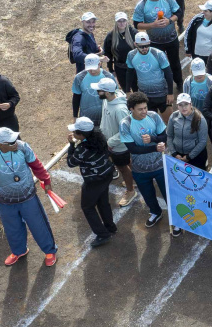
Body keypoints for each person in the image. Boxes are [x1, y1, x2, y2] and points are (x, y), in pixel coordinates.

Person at [0, 128, 58, 266]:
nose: (15, 143)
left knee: (38, 225)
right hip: (5, 201)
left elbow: (36, 165)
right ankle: (19, 251)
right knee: (12, 229)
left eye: (15, 140)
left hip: (28, 197)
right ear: (1, 144)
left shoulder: (23, 147)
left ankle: (49, 251)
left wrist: (46, 180)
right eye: (11, 142)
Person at [119, 92, 177, 232]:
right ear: (131, 109)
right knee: (148, 195)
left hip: (160, 165)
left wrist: (153, 139)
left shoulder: (154, 116)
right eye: (140, 109)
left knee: (168, 194)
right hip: (140, 168)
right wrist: (154, 147)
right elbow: (132, 149)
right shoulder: (125, 124)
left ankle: (175, 219)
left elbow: (164, 136)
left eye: (145, 107)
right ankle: (156, 212)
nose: (144, 111)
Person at [66, 118, 116, 247]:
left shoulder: (82, 149)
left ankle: (103, 234)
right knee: (103, 202)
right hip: (106, 174)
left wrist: (71, 145)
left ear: (82, 134)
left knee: (87, 207)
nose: (73, 133)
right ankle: (110, 227)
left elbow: (71, 163)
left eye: (75, 132)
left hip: (94, 181)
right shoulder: (100, 137)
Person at [133, 0, 182, 92]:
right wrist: (153, 25)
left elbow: (179, 13)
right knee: (158, 65)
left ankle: (179, 83)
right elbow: (137, 24)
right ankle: (163, 85)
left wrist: (169, 21)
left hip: (171, 38)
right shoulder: (142, 5)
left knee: (175, 62)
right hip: (155, 42)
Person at [95, 77, 136, 207]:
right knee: (127, 163)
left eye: (99, 90)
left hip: (118, 146)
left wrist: (110, 142)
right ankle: (135, 179)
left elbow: (126, 130)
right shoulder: (106, 100)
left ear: (107, 93)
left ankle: (130, 191)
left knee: (123, 168)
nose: (97, 92)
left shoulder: (120, 109)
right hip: (111, 143)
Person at [125, 32, 174, 121]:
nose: (145, 48)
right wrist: (127, 90)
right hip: (145, 95)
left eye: (147, 45)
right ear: (135, 44)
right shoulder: (131, 55)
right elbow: (129, 73)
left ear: (149, 42)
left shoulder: (158, 54)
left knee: (170, 121)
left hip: (162, 93)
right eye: (141, 46)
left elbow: (168, 74)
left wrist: (170, 93)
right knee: (150, 122)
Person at [166, 93, 208, 170]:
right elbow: (169, 135)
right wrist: (174, 153)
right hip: (178, 155)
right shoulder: (173, 116)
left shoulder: (200, 119)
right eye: (180, 105)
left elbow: (203, 141)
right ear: (177, 106)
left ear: (191, 104)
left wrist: (189, 156)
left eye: (186, 104)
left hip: (196, 157)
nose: (183, 107)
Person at [72, 54, 116, 126]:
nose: (92, 71)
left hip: (106, 117)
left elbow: (115, 95)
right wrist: (75, 116)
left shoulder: (108, 77)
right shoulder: (79, 77)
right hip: (86, 117)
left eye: (94, 68)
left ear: (99, 64)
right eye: (89, 69)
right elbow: (76, 97)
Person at [103, 12, 138, 90]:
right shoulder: (111, 36)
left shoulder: (133, 32)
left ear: (127, 21)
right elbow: (108, 53)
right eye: (119, 21)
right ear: (116, 22)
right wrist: (111, 69)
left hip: (134, 67)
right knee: (125, 90)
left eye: (123, 20)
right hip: (120, 67)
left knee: (136, 89)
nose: (122, 23)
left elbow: (141, 48)